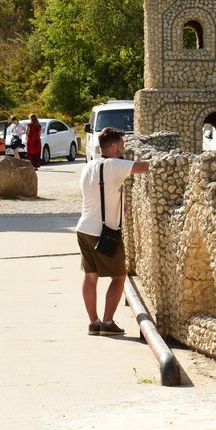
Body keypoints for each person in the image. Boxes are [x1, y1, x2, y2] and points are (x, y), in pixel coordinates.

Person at [76, 127, 150, 336]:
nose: (123, 150)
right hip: (105, 232)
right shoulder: (114, 165)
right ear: (113, 146)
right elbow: (143, 167)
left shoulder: (89, 166)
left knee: (90, 276)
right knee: (118, 277)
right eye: (122, 146)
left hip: (84, 229)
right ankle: (107, 323)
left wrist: (119, 203)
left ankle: (94, 322)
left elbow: (98, 193)